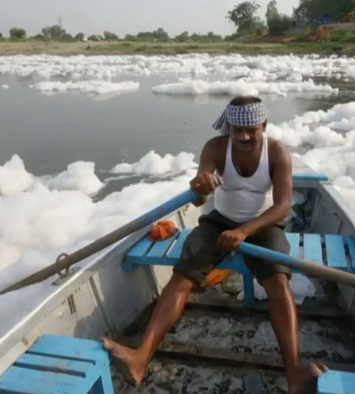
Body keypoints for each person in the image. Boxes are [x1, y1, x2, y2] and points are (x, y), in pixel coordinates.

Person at [102, 96, 327, 393]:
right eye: (237, 130)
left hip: (263, 224)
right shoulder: (215, 148)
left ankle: (294, 372)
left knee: (277, 282)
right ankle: (140, 357)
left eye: (252, 130)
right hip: (219, 221)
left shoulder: (277, 153)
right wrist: (200, 187)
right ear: (229, 128)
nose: (244, 137)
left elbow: (283, 206)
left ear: (264, 126)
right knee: (182, 277)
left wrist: (245, 231)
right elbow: (199, 198)